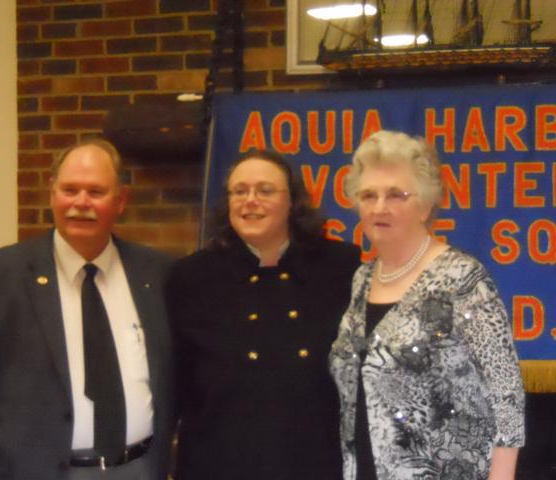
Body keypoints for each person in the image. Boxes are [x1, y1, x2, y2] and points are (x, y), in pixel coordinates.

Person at [0, 139, 174, 480]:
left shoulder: (158, 273)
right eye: (70, 189)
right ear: (52, 193)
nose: (81, 203)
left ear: (121, 200)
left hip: (139, 469)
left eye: (96, 191)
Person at [330, 130, 525, 480]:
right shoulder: (361, 280)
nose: (379, 207)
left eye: (396, 195)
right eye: (368, 195)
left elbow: (505, 393)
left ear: (425, 204)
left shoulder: (462, 279)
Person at [166, 149, 361, 480]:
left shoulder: (341, 267)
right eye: (239, 191)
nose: (250, 200)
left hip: (316, 463)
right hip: (219, 464)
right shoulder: (190, 278)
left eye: (265, 190)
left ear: (292, 202)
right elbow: (175, 384)